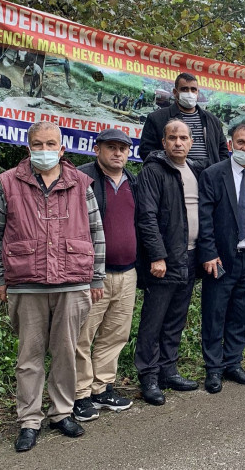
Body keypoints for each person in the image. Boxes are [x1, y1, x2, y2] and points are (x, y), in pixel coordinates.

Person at [0, 121, 105, 452]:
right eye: (37, 144)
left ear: (62, 148)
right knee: (30, 355)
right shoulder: (9, 183)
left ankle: (62, 412)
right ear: (28, 148)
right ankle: (29, 419)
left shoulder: (81, 183)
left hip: (73, 281)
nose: (44, 150)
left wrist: (96, 275)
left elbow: (97, 232)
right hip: (26, 284)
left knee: (66, 353)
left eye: (50, 143)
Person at [134, 119, 203, 406]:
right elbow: (146, 217)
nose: (178, 142)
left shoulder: (195, 170)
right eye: (172, 137)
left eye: (183, 138)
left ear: (190, 142)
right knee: (154, 319)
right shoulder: (153, 171)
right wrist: (157, 255)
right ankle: (148, 376)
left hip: (190, 256)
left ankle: (168, 370)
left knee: (176, 317)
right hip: (165, 259)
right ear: (163, 142)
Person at [72, 129, 138, 422]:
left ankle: (102, 388)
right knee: (82, 336)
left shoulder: (132, 181)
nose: (118, 153)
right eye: (111, 147)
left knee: (115, 334)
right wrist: (87, 272)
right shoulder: (81, 178)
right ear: (97, 149)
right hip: (93, 274)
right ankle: (79, 394)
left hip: (127, 273)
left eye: (123, 148)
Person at [198, 123, 245, 394]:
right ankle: (213, 369)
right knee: (215, 314)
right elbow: (204, 218)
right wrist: (209, 252)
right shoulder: (214, 174)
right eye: (241, 143)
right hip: (221, 258)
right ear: (230, 144)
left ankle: (233, 363)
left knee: (242, 313)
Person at [139, 72, 229, 166]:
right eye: (184, 89)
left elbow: (223, 152)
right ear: (175, 92)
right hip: (173, 175)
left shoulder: (212, 120)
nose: (189, 93)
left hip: (209, 177)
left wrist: (215, 171)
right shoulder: (157, 118)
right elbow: (146, 151)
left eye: (193, 89)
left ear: (197, 92)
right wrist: (170, 168)